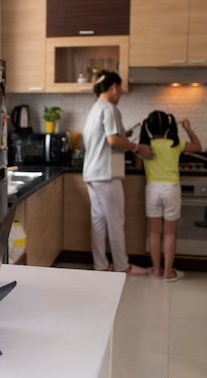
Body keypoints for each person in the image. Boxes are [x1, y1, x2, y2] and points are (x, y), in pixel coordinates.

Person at [82, 70, 153, 275]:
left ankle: (101, 265)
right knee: (115, 221)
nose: (120, 93)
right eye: (120, 88)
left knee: (98, 220)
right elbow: (112, 140)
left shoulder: (95, 108)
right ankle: (123, 266)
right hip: (107, 173)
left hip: (92, 172)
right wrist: (138, 147)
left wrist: (126, 135)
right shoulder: (110, 108)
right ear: (114, 87)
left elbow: (110, 137)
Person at [138, 110, 201, 282]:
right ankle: (168, 272)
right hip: (171, 189)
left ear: (149, 128)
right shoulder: (176, 143)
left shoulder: (145, 146)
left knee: (154, 232)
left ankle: (156, 271)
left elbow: (138, 166)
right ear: (168, 125)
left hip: (152, 189)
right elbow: (198, 146)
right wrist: (188, 128)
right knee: (170, 233)